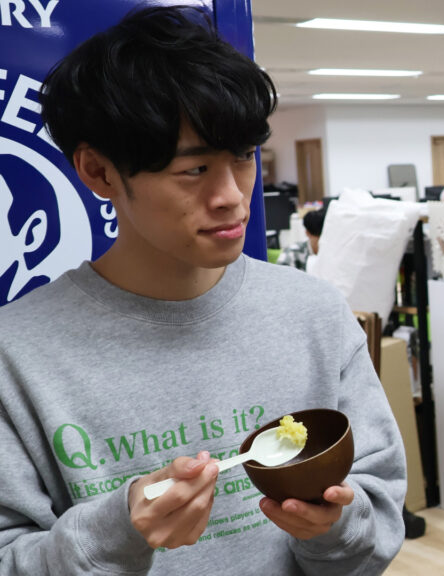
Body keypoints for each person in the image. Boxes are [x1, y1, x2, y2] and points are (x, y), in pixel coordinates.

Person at [0, 6, 405, 575]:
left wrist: (336, 525)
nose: (233, 196)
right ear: (99, 172)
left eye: (243, 158)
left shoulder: (312, 312)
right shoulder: (16, 354)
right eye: (193, 170)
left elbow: (378, 517)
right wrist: (114, 535)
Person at [277, 207, 326, 271]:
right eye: (320, 237)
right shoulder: (292, 254)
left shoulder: (332, 254)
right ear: (307, 233)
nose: (323, 242)